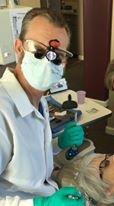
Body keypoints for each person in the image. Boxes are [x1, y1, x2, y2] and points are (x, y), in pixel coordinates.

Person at [0, 8, 85, 206]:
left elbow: (25, 156)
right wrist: (39, 204)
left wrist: (56, 145)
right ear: (19, 48)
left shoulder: (40, 101)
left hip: (48, 190)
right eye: (39, 51)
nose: (48, 62)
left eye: (57, 56)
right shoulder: (2, 112)